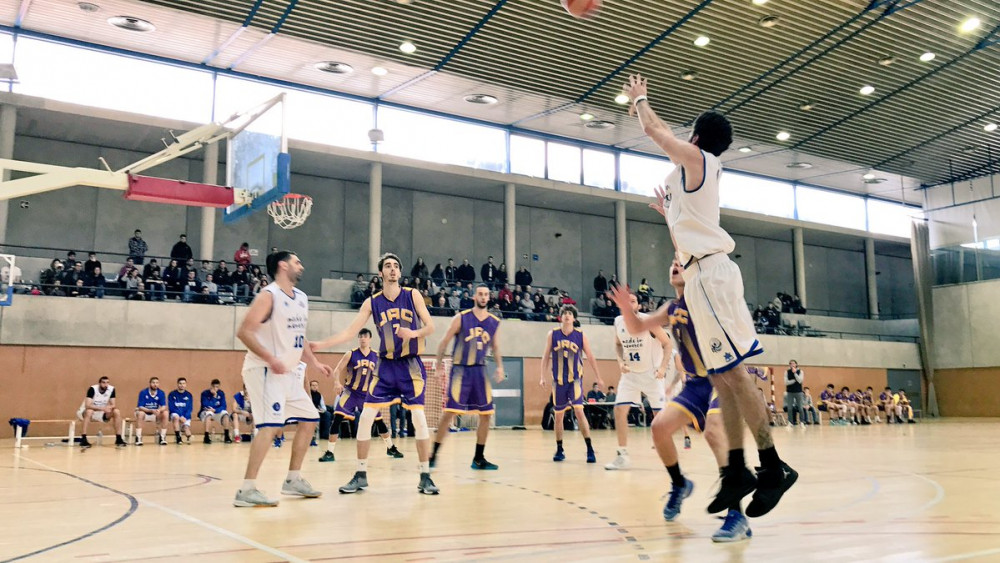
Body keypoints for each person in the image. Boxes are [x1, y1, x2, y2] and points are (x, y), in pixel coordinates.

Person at [616, 73, 795, 517]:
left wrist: (640, 99)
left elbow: (655, 132)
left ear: (697, 137)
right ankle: (737, 469)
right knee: (723, 376)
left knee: (733, 375)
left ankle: (772, 467)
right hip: (700, 278)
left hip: (713, 277)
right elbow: (684, 240)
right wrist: (667, 213)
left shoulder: (700, 162)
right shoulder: (684, 183)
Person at [312, 253, 438, 495]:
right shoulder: (372, 302)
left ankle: (425, 476)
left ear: (400, 273)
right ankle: (360, 474)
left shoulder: (412, 295)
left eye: (395, 266)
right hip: (385, 367)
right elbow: (351, 331)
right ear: (381, 273)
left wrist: (412, 334)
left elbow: (430, 327)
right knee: (367, 417)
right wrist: (321, 344)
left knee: (419, 419)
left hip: (411, 365)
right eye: (387, 266)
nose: (392, 269)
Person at [233, 250, 333, 507]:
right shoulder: (269, 296)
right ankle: (246, 489)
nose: (302, 265)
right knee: (269, 427)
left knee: (311, 418)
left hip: (288, 372)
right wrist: (271, 358)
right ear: (282, 266)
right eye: (297, 262)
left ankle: (293, 479)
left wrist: (315, 363)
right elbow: (244, 332)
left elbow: (301, 337)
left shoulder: (301, 297)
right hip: (265, 370)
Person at [430, 284, 505, 470]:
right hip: (460, 370)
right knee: (450, 412)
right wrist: (438, 366)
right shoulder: (461, 318)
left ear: (489, 298)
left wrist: (500, 367)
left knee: (486, 414)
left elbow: (495, 347)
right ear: (474, 297)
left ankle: (479, 458)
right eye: (480, 294)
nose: (483, 297)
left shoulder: (494, 322)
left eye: (486, 294)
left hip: (480, 371)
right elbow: (444, 342)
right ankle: (433, 454)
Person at [605, 292, 673, 471]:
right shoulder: (618, 322)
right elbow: (618, 345)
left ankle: (668, 456)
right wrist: (621, 362)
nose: (629, 303)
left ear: (638, 306)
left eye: (633, 301)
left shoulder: (648, 322)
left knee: (659, 420)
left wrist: (663, 368)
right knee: (619, 410)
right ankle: (622, 455)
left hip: (652, 375)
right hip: (630, 375)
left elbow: (667, 344)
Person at [318, 329, 403, 462]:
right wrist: (336, 382)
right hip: (350, 392)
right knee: (337, 418)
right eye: (361, 336)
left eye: (365, 336)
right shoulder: (350, 354)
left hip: (368, 396)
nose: (363, 338)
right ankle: (330, 452)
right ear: (358, 338)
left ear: (370, 338)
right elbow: (337, 369)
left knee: (379, 421)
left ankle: (390, 447)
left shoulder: (377, 355)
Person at [539, 305, 604, 464]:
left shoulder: (581, 336)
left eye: (570, 313)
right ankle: (560, 449)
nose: (567, 316)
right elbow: (545, 356)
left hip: (575, 380)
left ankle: (589, 448)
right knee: (559, 416)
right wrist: (542, 376)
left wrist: (598, 376)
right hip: (558, 382)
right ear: (560, 317)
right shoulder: (552, 334)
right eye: (564, 313)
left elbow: (590, 356)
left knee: (579, 412)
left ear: (574, 318)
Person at [77, 376, 126, 449]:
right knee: (89, 411)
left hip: (101, 412)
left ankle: (118, 438)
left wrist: (109, 408)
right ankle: (83, 438)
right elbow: (88, 405)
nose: (106, 384)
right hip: (85, 412)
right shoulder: (92, 389)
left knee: (116, 411)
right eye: (103, 382)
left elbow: (113, 404)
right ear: (99, 383)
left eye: (107, 383)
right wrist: (102, 408)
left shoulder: (111, 389)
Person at [134, 377, 169, 446]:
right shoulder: (143, 392)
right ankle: (138, 437)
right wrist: (150, 410)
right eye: (153, 383)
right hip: (145, 413)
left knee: (165, 413)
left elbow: (163, 406)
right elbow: (140, 407)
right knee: (140, 413)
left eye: (157, 383)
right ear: (150, 384)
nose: (155, 384)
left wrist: (159, 410)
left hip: (155, 414)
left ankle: (162, 437)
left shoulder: (161, 393)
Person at [199, 379, 233, 444]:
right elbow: (205, 405)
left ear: (219, 387)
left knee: (225, 414)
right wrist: (214, 397)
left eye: (217, 387)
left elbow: (223, 406)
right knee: (208, 415)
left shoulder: (221, 393)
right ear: (211, 386)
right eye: (214, 387)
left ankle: (227, 436)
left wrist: (215, 410)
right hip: (207, 411)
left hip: (216, 411)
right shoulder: (204, 393)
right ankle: (206, 436)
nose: (215, 388)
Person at [168, 377, 195, 444]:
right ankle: (178, 437)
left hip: (185, 417)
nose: (182, 385)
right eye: (180, 383)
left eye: (183, 383)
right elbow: (171, 407)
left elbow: (190, 408)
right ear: (177, 384)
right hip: (175, 414)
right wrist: (180, 416)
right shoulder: (172, 394)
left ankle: (188, 436)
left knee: (187, 430)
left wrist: (185, 417)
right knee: (176, 417)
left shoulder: (189, 395)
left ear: (186, 384)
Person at [784, 360, 805, 426]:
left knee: (800, 407)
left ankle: (802, 422)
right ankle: (790, 422)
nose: (792, 364)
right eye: (790, 363)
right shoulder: (786, 372)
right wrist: (794, 380)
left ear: (796, 364)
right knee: (789, 408)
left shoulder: (800, 371)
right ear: (789, 365)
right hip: (790, 392)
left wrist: (795, 373)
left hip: (798, 392)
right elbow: (786, 382)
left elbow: (800, 380)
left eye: (793, 363)